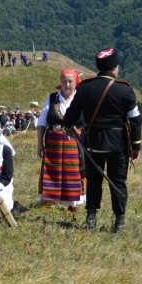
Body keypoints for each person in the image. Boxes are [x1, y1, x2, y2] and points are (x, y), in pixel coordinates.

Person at [63, 48, 142, 233]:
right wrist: (136, 146)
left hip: (92, 144)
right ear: (115, 68)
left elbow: (69, 118)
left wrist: (68, 127)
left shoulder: (84, 88)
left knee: (93, 180)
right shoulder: (125, 90)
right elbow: (135, 120)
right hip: (118, 145)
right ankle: (119, 222)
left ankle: (91, 218)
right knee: (118, 182)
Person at [37, 69, 85, 210]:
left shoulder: (81, 99)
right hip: (53, 144)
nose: (67, 84)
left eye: (70, 81)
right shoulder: (52, 98)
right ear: (60, 82)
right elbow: (41, 123)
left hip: (74, 143)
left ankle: (72, 203)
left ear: (76, 83)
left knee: (73, 172)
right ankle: (51, 201)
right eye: (64, 81)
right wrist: (40, 144)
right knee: (53, 171)